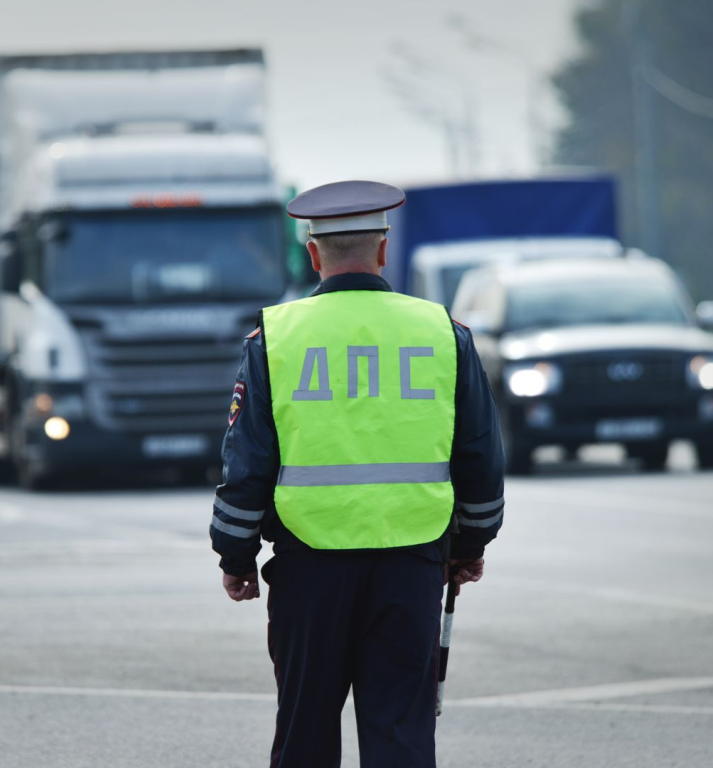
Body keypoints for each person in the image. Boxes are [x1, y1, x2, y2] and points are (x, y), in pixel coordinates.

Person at [209, 180, 505, 768]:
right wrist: (468, 546)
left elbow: (247, 464)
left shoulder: (277, 338)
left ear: (315, 256)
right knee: (400, 735)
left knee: (305, 736)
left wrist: (235, 557)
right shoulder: (444, 333)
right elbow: (479, 457)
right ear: (384, 249)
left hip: (308, 568)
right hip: (413, 562)